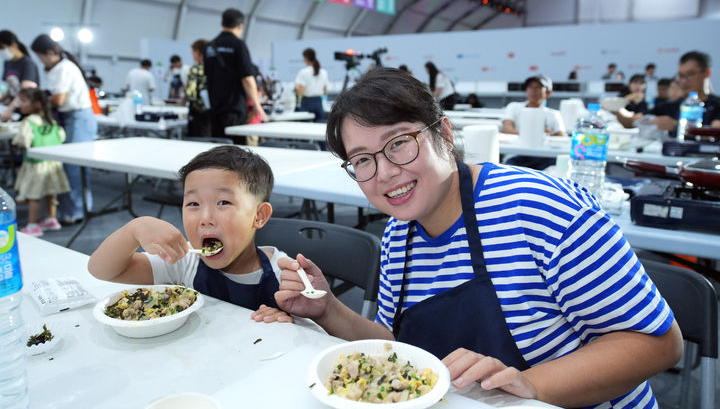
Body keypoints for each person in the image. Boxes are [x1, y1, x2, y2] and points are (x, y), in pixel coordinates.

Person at [274, 68, 682, 409]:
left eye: (399, 143)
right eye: (362, 160)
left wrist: (532, 388)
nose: (383, 173)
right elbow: (400, 348)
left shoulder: (537, 208)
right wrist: (327, 310)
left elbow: (658, 342)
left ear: (444, 134)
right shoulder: (400, 234)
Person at [88, 145, 292, 322]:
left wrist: (287, 322)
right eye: (193, 204)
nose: (205, 218)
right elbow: (102, 270)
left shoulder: (286, 275)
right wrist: (133, 229)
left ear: (259, 215)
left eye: (223, 202)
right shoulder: (184, 263)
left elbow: (314, 337)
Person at [30, 34, 98, 225]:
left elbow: (58, 99)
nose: (41, 61)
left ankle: (76, 212)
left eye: (41, 57)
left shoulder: (63, 68)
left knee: (74, 166)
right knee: (71, 167)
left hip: (78, 118)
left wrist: (39, 99)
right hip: (72, 118)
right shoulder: (58, 68)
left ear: (50, 53)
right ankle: (75, 209)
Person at [204, 8, 268, 144]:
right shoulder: (238, 45)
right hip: (234, 109)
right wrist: (257, 106)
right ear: (240, 26)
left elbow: (208, 75)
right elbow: (247, 78)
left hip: (214, 108)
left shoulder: (210, 46)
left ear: (222, 23)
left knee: (218, 150)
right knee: (235, 154)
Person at [12, 88, 70, 236]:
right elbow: (61, 137)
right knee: (51, 193)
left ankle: (32, 225)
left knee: (33, 195)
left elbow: (22, 140)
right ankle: (51, 219)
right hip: (52, 164)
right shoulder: (51, 121)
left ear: (36, 104)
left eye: (23, 101)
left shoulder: (28, 122)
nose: (20, 104)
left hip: (35, 165)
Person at [501, 75, 565, 136]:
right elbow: (506, 129)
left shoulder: (554, 114)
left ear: (548, 93)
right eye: (530, 87)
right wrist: (537, 134)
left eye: (538, 87)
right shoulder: (514, 107)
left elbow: (561, 135)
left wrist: (550, 134)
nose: (533, 90)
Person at [0, 30, 40, 122]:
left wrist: (9, 110)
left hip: (26, 110)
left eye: (2, 47)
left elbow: (25, 91)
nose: (1, 51)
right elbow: (11, 88)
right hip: (13, 108)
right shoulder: (8, 62)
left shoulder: (28, 64)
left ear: (13, 46)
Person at [184, 40, 211, 138]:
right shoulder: (215, 66)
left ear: (197, 51)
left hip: (198, 111)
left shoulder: (195, 68)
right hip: (214, 111)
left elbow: (191, 93)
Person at [294, 48, 328, 122]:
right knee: (320, 126)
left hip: (306, 102)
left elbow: (301, 92)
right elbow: (325, 91)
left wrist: (296, 86)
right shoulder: (324, 72)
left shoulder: (303, 72)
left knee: (304, 127)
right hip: (318, 101)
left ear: (306, 58)